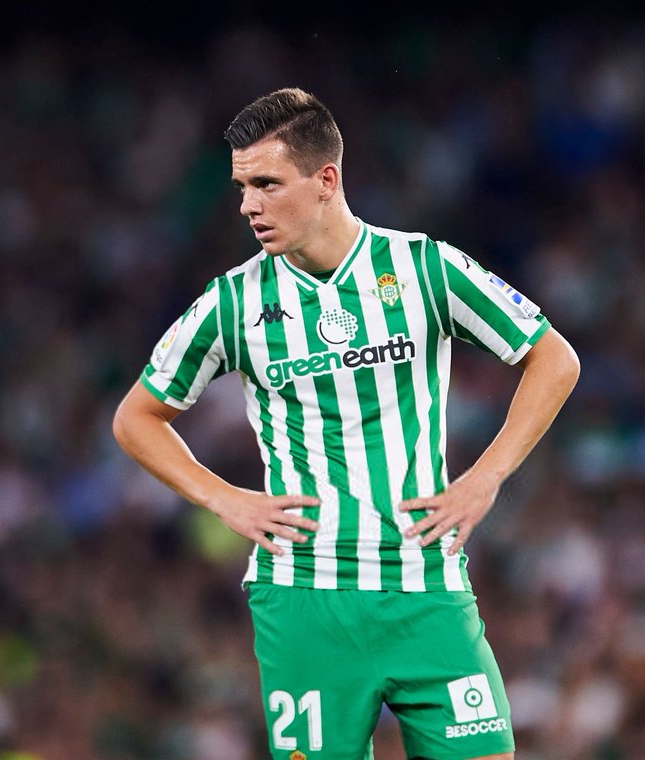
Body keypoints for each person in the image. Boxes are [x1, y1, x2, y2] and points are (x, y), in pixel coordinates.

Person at [112, 87, 579, 760]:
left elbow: (554, 358)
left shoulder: (423, 268)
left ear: (326, 180)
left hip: (425, 584)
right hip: (305, 596)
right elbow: (136, 417)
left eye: (267, 184)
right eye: (243, 188)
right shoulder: (234, 302)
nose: (248, 206)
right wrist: (224, 498)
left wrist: (486, 477)